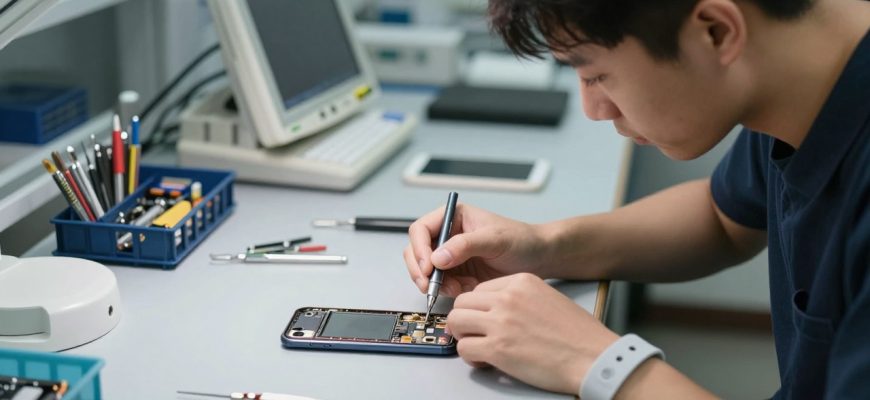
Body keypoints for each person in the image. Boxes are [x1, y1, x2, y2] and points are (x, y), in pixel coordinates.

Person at [403, 0, 870, 398]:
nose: (594, 109)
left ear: (715, 31)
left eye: (597, 74)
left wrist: (604, 363)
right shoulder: (805, 77)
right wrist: (542, 246)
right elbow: (721, 217)